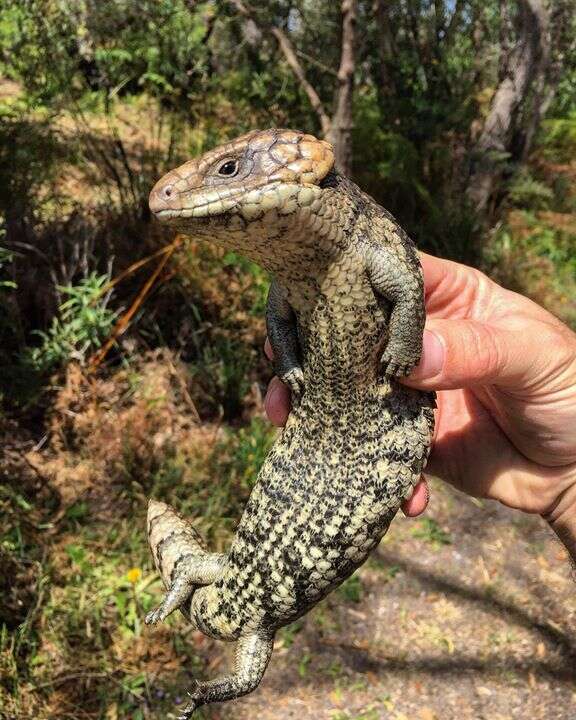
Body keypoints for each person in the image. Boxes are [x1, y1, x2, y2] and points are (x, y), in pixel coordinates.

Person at [263, 253, 576, 562]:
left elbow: (406, 290)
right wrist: (564, 490)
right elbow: (278, 321)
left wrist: (566, 484)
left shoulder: (364, 251)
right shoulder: (287, 273)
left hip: (393, 400)